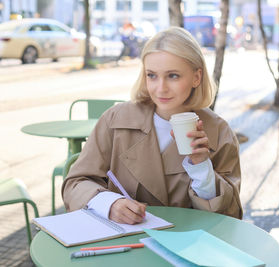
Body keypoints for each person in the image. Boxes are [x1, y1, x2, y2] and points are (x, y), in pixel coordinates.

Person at [62, 27, 242, 225]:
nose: (161, 88)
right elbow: (75, 184)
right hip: (121, 245)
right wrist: (109, 203)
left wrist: (202, 168)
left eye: (173, 76)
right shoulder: (115, 120)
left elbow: (230, 216)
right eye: (152, 75)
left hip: (189, 247)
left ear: (196, 77)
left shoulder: (219, 132)